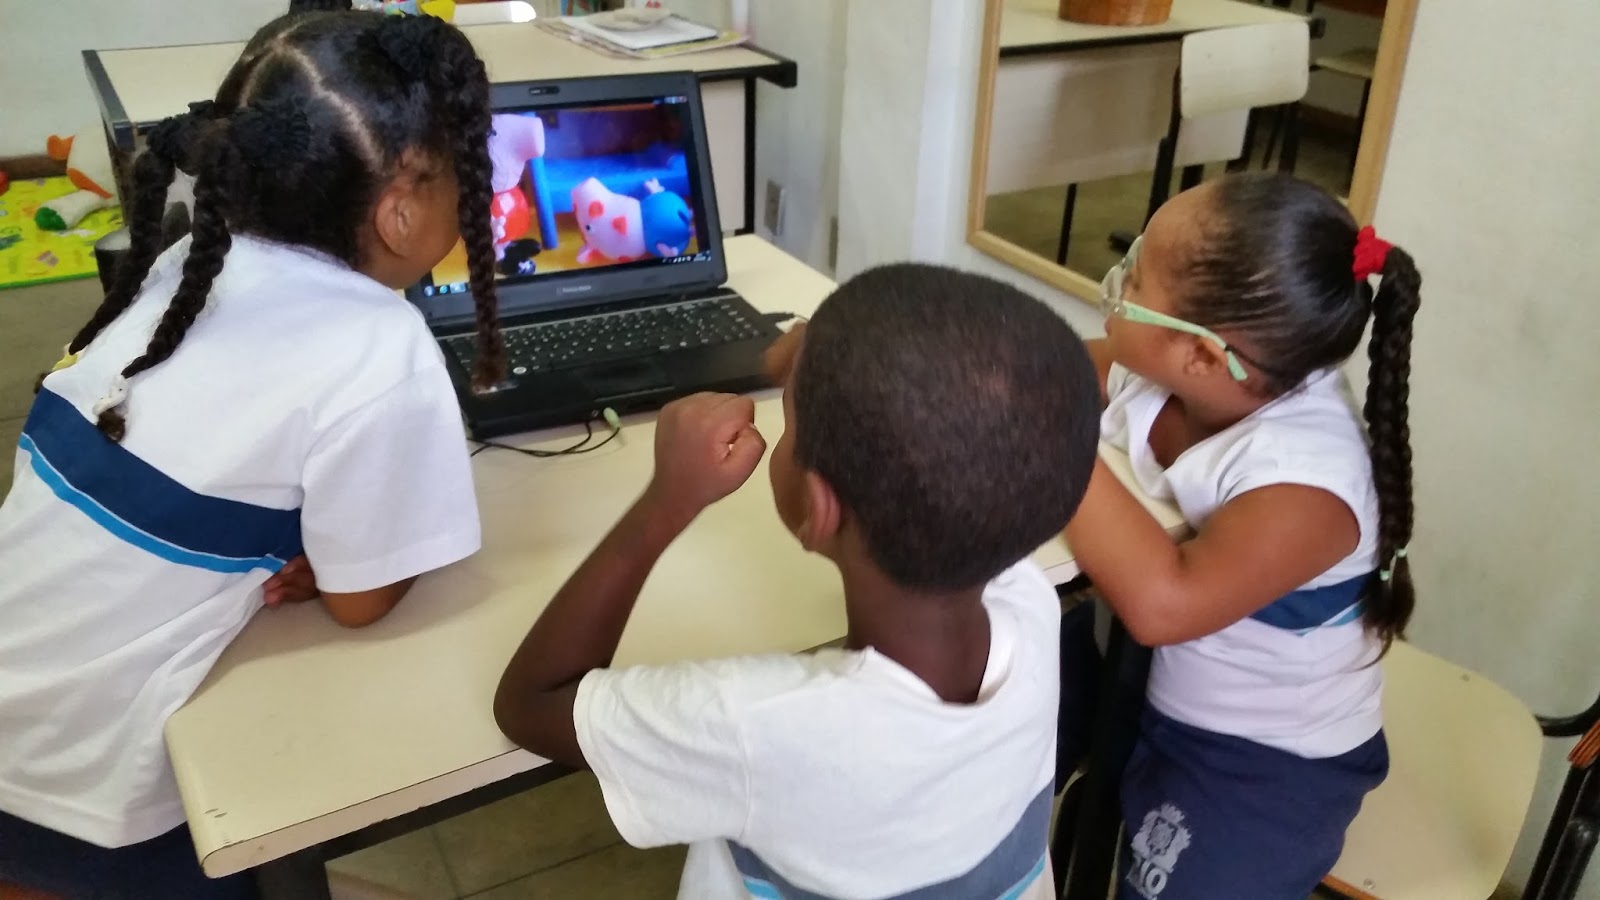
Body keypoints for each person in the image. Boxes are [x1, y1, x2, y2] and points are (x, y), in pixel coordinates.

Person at [0, 9, 503, 898]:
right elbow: (360, 604)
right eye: (469, 166)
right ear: (399, 212)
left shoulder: (186, 265)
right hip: (77, 791)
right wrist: (341, 562)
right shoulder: (378, 347)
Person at [494, 264, 1102, 899]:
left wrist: (668, 499)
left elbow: (529, 704)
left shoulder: (756, 727)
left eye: (788, 420)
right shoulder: (1033, 605)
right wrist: (842, 357)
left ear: (818, 508)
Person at [1063, 171, 1422, 900]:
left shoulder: (1309, 480)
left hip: (1261, 757)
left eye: (1137, 272)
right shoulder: (1175, 373)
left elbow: (1165, 604)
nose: (1119, 278)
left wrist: (1043, 435)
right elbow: (1051, 369)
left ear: (1203, 353)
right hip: (1140, 670)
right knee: (974, 729)